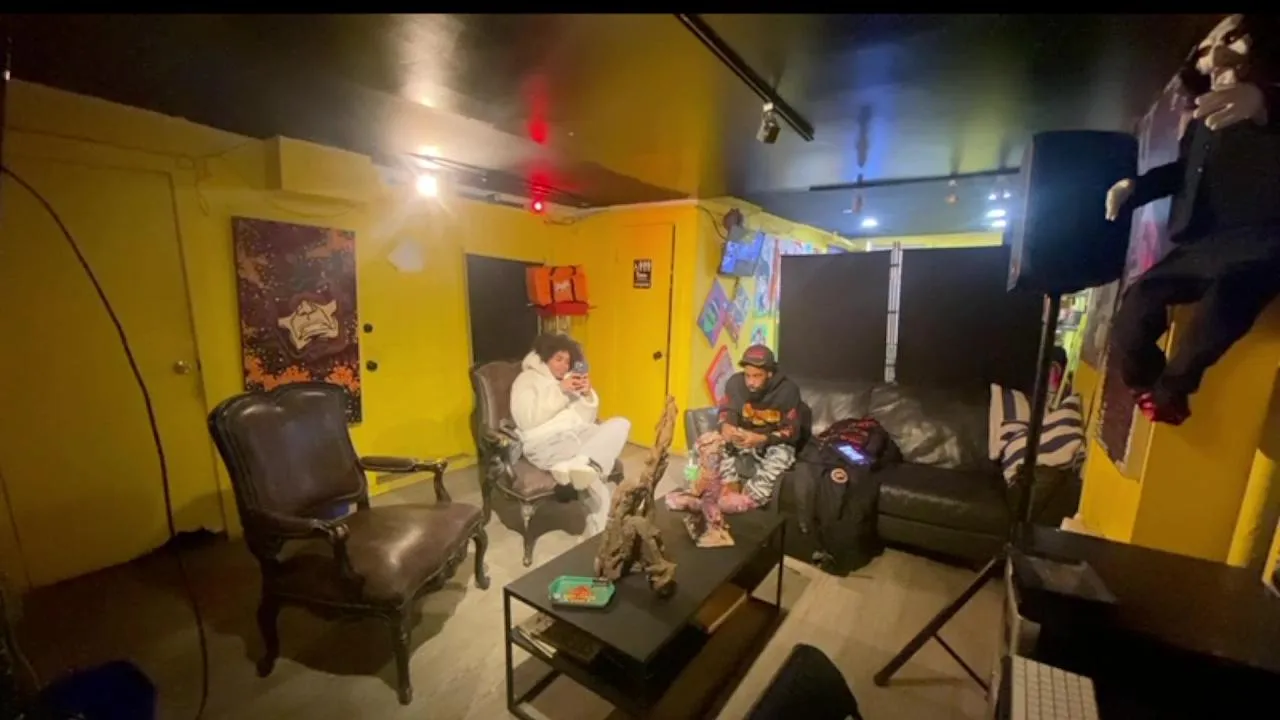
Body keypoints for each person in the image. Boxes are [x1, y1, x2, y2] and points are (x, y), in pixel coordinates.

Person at [1105, 14, 1280, 425]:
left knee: (1220, 311)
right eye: (1205, 50)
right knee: (1136, 306)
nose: (1216, 55)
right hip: (1201, 242)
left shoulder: (1265, 96)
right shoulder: (1200, 121)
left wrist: (1263, 101)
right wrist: (1136, 188)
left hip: (1262, 240)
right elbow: (1182, 174)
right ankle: (1147, 386)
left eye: (1233, 39)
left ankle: (1171, 393)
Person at [510, 333, 630, 535]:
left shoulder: (567, 381)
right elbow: (525, 419)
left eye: (567, 361)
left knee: (621, 424)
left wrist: (586, 396)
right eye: (558, 359)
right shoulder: (526, 380)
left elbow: (585, 421)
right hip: (546, 442)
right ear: (544, 358)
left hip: (576, 435)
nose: (564, 366)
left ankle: (581, 463)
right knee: (595, 482)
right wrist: (559, 391)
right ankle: (600, 534)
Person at [715, 345, 802, 509]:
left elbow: (791, 431)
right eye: (747, 375)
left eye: (757, 376)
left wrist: (761, 439)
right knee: (711, 442)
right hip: (743, 439)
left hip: (772, 443)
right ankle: (728, 490)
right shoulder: (735, 383)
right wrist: (726, 426)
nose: (750, 382)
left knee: (781, 454)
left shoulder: (788, 390)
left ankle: (749, 500)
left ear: (769, 374)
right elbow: (726, 410)